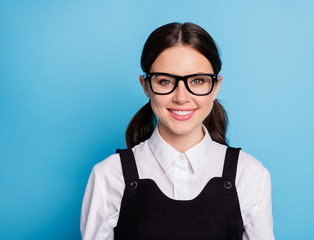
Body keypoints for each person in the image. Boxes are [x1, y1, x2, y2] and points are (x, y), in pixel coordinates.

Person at [81, 22, 274, 240]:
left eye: (198, 81)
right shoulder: (108, 175)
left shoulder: (249, 174)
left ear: (216, 86)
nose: (181, 97)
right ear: (145, 86)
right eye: (165, 81)